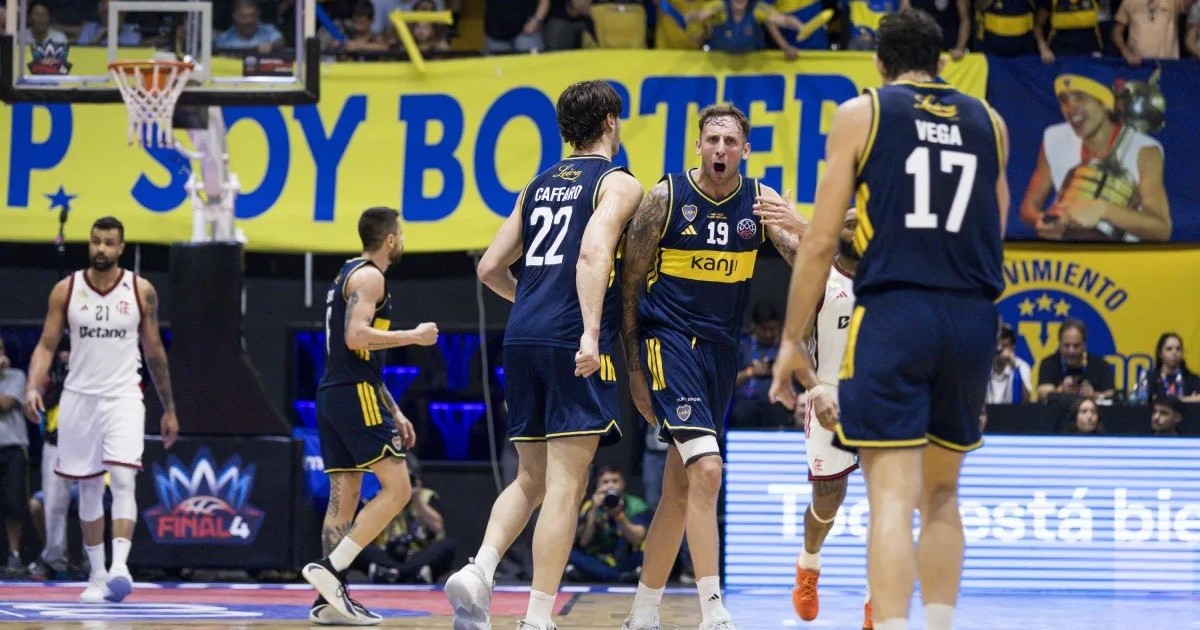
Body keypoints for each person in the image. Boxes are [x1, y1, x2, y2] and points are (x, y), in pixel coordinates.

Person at [768, 10, 1010, 630]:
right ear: (944, 61)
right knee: (943, 496)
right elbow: (997, 230)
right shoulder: (992, 123)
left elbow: (822, 241)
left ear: (879, 63)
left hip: (898, 310)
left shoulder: (864, 112)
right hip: (971, 313)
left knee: (892, 499)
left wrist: (791, 339)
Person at [444, 79, 644, 630]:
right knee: (566, 484)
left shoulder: (537, 184)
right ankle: (537, 617)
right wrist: (590, 332)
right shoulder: (617, 182)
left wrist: (533, 302)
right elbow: (594, 253)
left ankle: (480, 569)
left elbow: (489, 267)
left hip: (522, 335)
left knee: (530, 477)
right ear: (610, 121)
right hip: (571, 338)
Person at [619, 103, 806, 630]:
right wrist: (634, 368)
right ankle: (713, 609)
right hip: (669, 341)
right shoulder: (665, 198)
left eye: (730, 141)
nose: (720, 149)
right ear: (699, 146)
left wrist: (803, 226)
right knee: (708, 469)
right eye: (712, 140)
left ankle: (641, 613)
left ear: (745, 150)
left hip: (721, 353)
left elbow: (812, 264)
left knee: (680, 491)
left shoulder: (761, 202)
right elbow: (629, 286)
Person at [23, 216, 181, 604]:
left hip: (123, 396)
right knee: (89, 487)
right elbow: (46, 344)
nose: (101, 248)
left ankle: (120, 567)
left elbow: (155, 351)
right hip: (79, 398)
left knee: (124, 479)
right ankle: (96, 575)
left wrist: (169, 407)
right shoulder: (67, 289)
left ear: (121, 248)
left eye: (109, 243)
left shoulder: (141, 290)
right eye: (96, 241)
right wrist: (31, 387)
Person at [301, 207, 433, 624]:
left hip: (335, 392)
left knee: (344, 498)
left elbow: (356, 358)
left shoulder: (347, 273)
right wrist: (414, 336)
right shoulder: (371, 277)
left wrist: (394, 408)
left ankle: (326, 600)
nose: (403, 239)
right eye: (401, 233)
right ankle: (333, 568)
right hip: (354, 393)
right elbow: (356, 337)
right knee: (399, 490)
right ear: (390, 239)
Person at [749, 204, 871, 627]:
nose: (854, 228)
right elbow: (796, 342)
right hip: (829, 392)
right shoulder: (821, 276)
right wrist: (816, 391)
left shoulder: (889, 278)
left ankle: (877, 604)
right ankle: (808, 565)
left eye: (861, 222)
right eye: (848, 222)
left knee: (888, 503)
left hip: (879, 397)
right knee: (828, 501)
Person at [1019, 73, 1170, 242]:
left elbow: (1161, 228)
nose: (1070, 108)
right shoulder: (1055, 138)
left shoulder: (1144, 150)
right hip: (1068, 252)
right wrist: (1042, 220)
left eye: (1080, 98)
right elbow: (1029, 207)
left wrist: (1104, 210)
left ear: (1105, 103)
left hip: (1122, 253)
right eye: (1064, 100)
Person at [568, 465, 651, 583]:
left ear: (623, 484)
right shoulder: (590, 506)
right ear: (598, 485)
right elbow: (584, 541)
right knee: (572, 554)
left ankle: (600, 575)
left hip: (627, 557)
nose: (610, 485)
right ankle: (622, 576)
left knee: (648, 554)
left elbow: (636, 539)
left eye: (615, 481)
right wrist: (593, 510)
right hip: (599, 557)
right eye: (605, 482)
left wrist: (619, 515)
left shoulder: (637, 505)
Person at [0, 337, 29, 576]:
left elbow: (5, 404)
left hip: (12, 449)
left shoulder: (16, 376)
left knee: (13, 503)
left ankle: (15, 555)